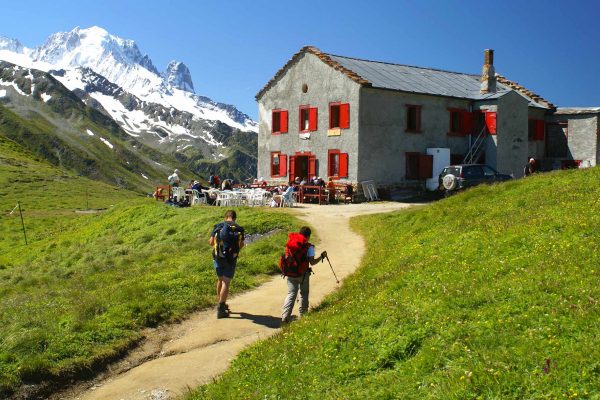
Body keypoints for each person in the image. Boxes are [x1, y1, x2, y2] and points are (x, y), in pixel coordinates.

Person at [281, 226, 327, 324]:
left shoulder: (291, 243)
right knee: (304, 293)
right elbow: (313, 262)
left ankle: (285, 316)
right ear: (308, 236)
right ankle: (303, 315)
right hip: (303, 274)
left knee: (291, 293)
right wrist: (322, 257)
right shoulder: (309, 247)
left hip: (290, 273)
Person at [209, 210, 245, 318]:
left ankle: (220, 303)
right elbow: (241, 244)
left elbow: (211, 242)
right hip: (231, 259)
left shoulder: (218, 226)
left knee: (220, 280)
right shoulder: (239, 228)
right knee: (226, 282)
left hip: (218, 258)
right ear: (235, 218)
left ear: (226, 217)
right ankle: (221, 307)